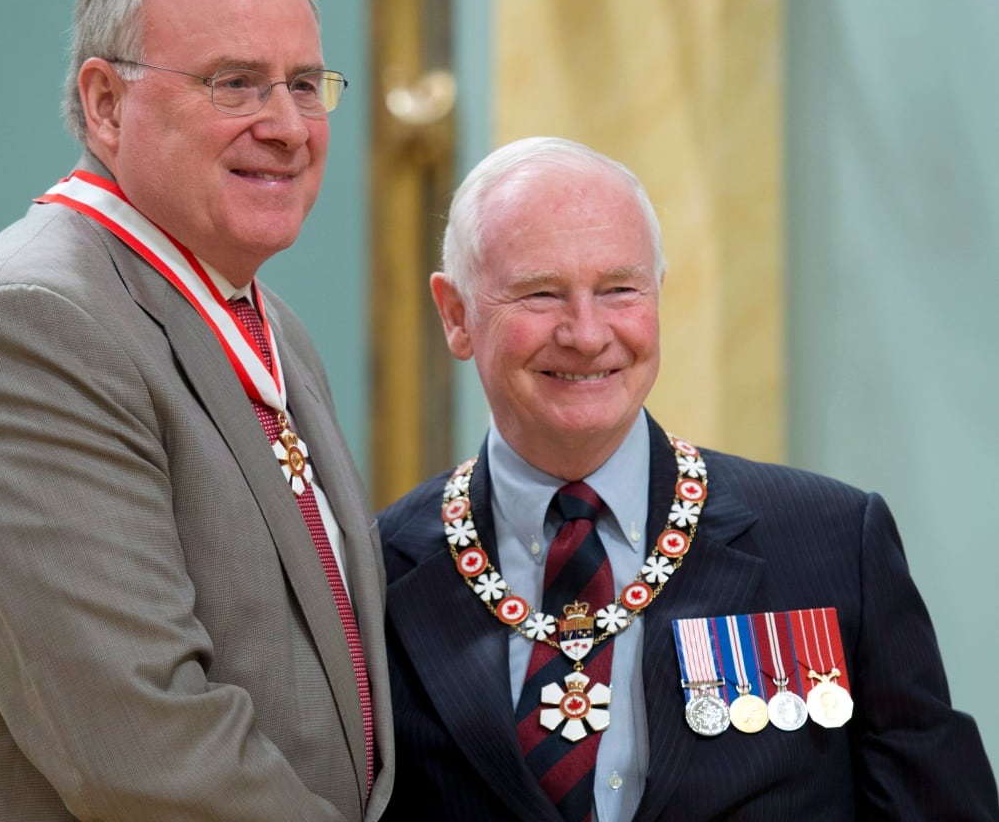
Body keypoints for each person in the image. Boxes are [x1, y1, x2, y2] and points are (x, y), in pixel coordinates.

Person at [0, 0, 391, 822]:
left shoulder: (265, 322)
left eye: (305, 84)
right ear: (106, 102)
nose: (287, 126)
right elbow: (145, 755)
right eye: (235, 84)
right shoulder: (28, 326)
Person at [377, 136, 998, 822]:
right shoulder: (375, 573)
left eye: (619, 289)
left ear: (658, 296)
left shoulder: (830, 544)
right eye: (541, 292)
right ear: (456, 314)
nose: (587, 333)